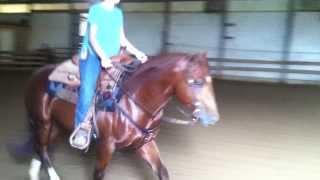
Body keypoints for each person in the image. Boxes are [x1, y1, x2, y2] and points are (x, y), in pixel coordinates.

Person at [70, 0, 148, 149]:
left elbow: (122, 39)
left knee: (125, 87)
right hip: (93, 55)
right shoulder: (96, 10)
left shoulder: (118, 13)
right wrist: (103, 57)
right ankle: (81, 128)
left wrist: (137, 52)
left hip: (113, 57)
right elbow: (92, 38)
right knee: (87, 89)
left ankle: (116, 124)